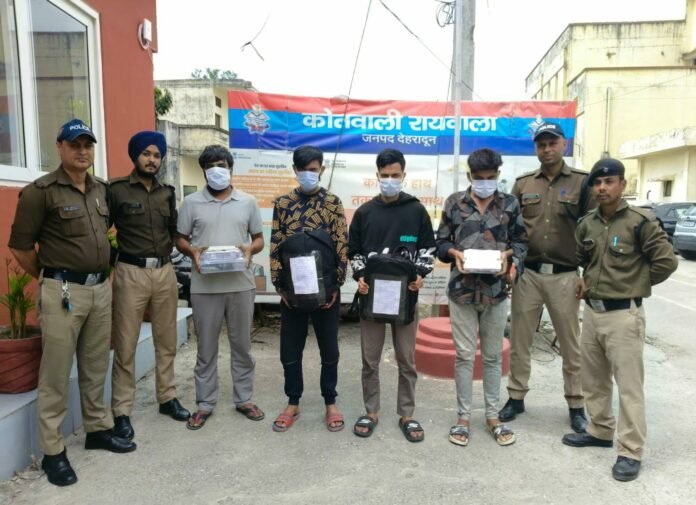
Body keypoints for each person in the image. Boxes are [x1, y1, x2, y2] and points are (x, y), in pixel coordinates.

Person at [8, 119, 136, 487]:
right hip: (63, 290)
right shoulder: (40, 192)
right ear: (60, 147)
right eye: (75, 144)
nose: (82, 151)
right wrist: (50, 277)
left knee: (95, 365)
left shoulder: (100, 190)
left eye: (87, 145)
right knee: (56, 372)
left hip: (99, 289)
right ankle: (53, 450)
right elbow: (21, 247)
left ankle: (97, 429)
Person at [562, 158, 677, 482]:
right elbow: (583, 259)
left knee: (629, 387)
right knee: (594, 380)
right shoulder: (587, 223)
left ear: (622, 184)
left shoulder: (640, 221)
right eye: (597, 183)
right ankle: (600, 430)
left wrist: (635, 285)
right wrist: (585, 279)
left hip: (624, 316)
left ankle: (630, 451)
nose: (602, 188)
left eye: (609, 181)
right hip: (593, 312)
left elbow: (666, 262)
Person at [500, 122, 592, 433]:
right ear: (536, 148)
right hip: (528, 274)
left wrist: (588, 274)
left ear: (564, 145)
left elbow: (594, 231)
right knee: (520, 341)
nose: (547, 149)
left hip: (565, 276)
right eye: (542, 144)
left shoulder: (582, 182)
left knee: (570, 344)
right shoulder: (523, 184)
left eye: (552, 143)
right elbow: (511, 230)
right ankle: (516, 397)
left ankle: (576, 404)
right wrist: (509, 264)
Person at [435, 148, 527, 447]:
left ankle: (492, 417)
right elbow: (441, 242)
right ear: (469, 176)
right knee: (464, 356)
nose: (484, 182)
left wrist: (510, 260)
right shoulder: (454, 203)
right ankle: (462, 418)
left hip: (496, 292)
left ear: (498, 175)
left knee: (491, 356)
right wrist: (454, 253)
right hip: (461, 291)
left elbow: (522, 242)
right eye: (478, 177)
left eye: (490, 177)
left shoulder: (510, 203)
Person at [348, 148, 436, 442]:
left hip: (405, 297)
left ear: (403, 175)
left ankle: (407, 414)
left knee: (407, 359)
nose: (389, 180)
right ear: (377, 175)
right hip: (371, 297)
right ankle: (371, 411)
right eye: (384, 175)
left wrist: (420, 274)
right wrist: (360, 276)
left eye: (395, 175)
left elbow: (428, 249)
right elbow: (354, 252)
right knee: (370, 360)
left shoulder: (416, 210)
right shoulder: (364, 213)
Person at [176, 145, 265, 430]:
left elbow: (259, 238)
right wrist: (192, 251)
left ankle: (244, 398)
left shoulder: (247, 202)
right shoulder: (191, 203)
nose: (217, 170)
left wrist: (250, 249)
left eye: (222, 165)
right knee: (206, 348)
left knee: (242, 346)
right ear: (204, 171)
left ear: (230, 169)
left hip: (240, 285)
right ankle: (204, 403)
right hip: (204, 287)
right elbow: (180, 238)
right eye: (211, 166)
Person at [109, 131, 190, 441]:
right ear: (135, 156)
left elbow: (174, 232)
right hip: (131, 272)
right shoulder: (116, 190)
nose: (152, 160)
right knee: (126, 344)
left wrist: (197, 252)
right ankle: (122, 411)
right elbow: (100, 230)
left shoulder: (166, 192)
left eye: (157, 155)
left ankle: (167, 397)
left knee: (166, 340)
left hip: (165, 272)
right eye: (146, 154)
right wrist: (116, 260)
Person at [269, 145, 348, 432]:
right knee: (290, 349)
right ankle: (293, 402)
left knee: (329, 348)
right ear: (295, 170)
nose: (308, 174)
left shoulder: (333, 203)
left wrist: (337, 285)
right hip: (292, 293)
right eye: (303, 170)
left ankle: (330, 402)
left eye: (313, 170)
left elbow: (341, 245)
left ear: (322, 170)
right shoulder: (283, 204)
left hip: (326, 292)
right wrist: (280, 287)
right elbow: (276, 246)